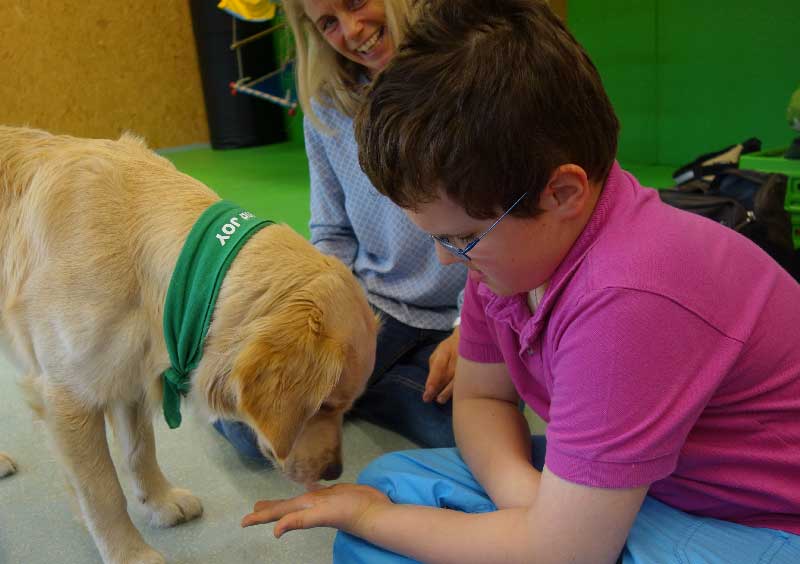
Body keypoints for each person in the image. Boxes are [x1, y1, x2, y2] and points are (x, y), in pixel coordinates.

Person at [238, 1, 800, 562]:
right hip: (659, 489)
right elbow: (482, 397)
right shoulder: (513, 255)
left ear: (561, 194)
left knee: (380, 519)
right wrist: (525, 503)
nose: (445, 260)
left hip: (760, 525)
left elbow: (568, 553)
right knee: (391, 480)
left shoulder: (626, 297)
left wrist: (376, 517)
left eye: (461, 239)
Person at [213, 0, 467, 458]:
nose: (352, 31)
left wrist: (469, 328)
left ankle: (362, 388)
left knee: (466, 432)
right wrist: (328, 313)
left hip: (469, 310)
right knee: (253, 433)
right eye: (328, 22)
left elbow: (494, 231)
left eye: (355, 3)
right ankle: (369, 384)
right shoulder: (328, 107)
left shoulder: (462, 78)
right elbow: (331, 231)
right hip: (374, 306)